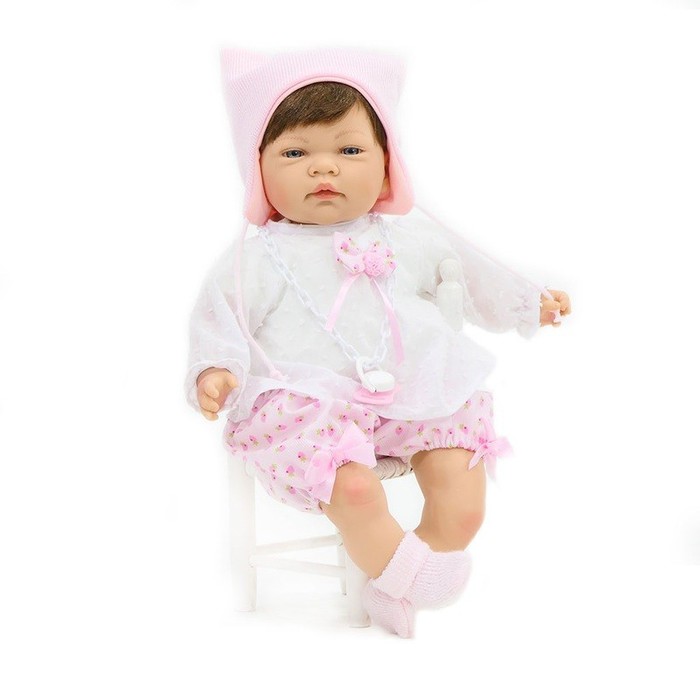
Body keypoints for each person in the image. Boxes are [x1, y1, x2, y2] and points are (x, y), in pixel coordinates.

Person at [185, 47, 571, 638]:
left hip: (410, 391)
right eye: (295, 153)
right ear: (257, 168)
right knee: (357, 489)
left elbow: (474, 275)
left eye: (348, 150)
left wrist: (526, 301)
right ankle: (408, 579)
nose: (323, 169)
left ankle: (390, 584)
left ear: (388, 164)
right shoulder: (256, 258)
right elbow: (220, 320)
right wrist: (216, 370)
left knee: (463, 503)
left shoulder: (410, 238)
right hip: (311, 405)